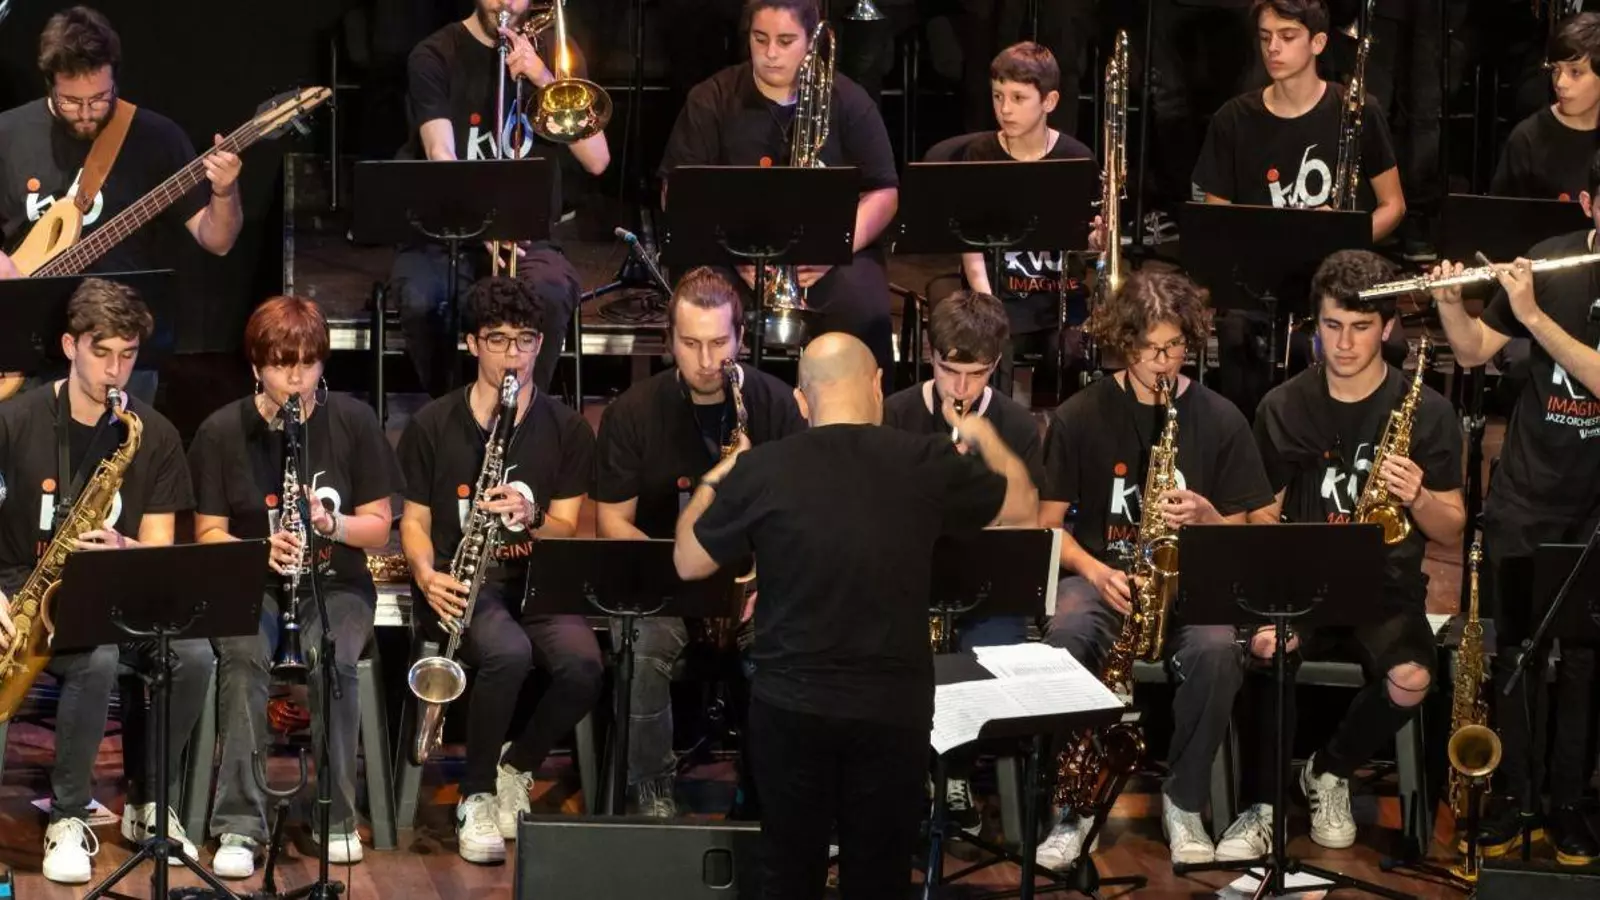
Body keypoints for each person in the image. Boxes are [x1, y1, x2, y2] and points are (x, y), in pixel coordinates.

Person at [674, 332, 1037, 898]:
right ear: (877, 385)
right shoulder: (925, 459)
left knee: (788, 873)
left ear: (801, 401)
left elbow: (688, 560)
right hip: (892, 709)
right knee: (879, 877)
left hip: (790, 707)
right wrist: (983, 433)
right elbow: (1023, 506)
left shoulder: (763, 468)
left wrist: (718, 477)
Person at [1212, 250, 1461, 858]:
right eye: (1331, 326)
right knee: (1269, 648)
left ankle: (1329, 770)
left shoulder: (1428, 410)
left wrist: (1419, 496)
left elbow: (1452, 528)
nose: (1344, 344)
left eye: (1360, 327)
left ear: (1388, 327)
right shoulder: (1283, 406)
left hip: (1385, 584)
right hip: (1302, 580)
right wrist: (1269, 536)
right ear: (1314, 325)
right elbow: (1257, 513)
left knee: (1414, 678)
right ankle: (1265, 807)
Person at [1037, 269, 1273, 868]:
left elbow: (1253, 534)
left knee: (1217, 648)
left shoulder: (1220, 418)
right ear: (1124, 343)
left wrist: (1209, 517)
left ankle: (1184, 802)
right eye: (1149, 348)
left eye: (1174, 347)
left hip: (1191, 586)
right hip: (1106, 580)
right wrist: (1094, 571)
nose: (1162, 362)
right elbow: (1048, 527)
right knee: (1065, 632)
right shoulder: (1081, 413)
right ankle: (1074, 806)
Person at [0, 279, 207, 884]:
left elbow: (160, 551)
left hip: (121, 594)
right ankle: (68, 816)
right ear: (70, 346)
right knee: (95, 657)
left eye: (128, 355)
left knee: (195, 655)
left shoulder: (152, 433)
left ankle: (149, 803)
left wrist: (125, 548)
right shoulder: (14, 422)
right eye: (102, 353)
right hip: (25, 593)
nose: (115, 371)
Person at [190, 296, 403, 878]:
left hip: (335, 585)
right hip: (250, 584)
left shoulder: (354, 422)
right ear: (257, 365)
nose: (297, 379)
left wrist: (331, 524)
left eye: (308, 364)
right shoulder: (221, 431)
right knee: (242, 658)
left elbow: (379, 527)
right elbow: (207, 533)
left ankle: (334, 815)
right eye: (283, 365)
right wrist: (261, 550)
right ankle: (240, 822)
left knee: (333, 656)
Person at [1431, 153, 1600, 865]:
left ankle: (1569, 804)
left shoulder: (1543, 294)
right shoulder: (1551, 260)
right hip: (1526, 496)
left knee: (1585, 660)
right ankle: (1519, 799)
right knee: (1518, 657)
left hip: (1594, 510)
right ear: (1590, 204)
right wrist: (1450, 302)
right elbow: (1473, 352)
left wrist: (1533, 315)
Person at [398, 276, 602, 863]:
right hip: (463, 585)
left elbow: (566, 526)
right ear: (472, 343)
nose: (513, 355)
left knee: (584, 666)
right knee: (508, 653)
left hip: (537, 582)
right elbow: (413, 521)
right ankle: (477, 794)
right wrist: (425, 574)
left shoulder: (565, 428)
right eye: (498, 340)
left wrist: (531, 516)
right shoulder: (433, 424)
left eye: (525, 340)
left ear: (541, 344)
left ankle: (518, 764)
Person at [591, 266, 805, 817]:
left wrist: (765, 580)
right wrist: (679, 579)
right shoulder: (632, 412)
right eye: (690, 344)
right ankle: (651, 791)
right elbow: (612, 523)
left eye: (718, 343)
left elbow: (803, 520)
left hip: (753, 583)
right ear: (669, 341)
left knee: (794, 641)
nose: (707, 361)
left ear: (741, 337)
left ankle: (771, 793)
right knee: (640, 648)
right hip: (665, 584)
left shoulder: (776, 404)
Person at [0, 6, 243, 401]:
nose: (85, 114)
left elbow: (217, 240)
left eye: (99, 99)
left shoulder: (157, 138)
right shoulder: (7, 134)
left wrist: (225, 193)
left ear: (115, 79)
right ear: (49, 84)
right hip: (27, 348)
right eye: (71, 101)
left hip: (123, 350)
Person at [657, 0, 901, 378]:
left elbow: (884, 192)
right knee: (704, 305)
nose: (770, 53)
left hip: (823, 256)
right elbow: (676, 192)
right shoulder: (710, 99)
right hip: (728, 254)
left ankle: (853, 411)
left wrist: (834, 246)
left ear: (810, 42)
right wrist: (732, 250)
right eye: (760, 39)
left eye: (786, 41)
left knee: (863, 307)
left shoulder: (849, 100)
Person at [881, 287, 1044, 841]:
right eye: (949, 371)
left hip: (984, 590)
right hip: (908, 583)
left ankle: (957, 774)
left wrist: (987, 445)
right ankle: (906, 776)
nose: (961, 388)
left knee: (992, 653)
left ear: (995, 366)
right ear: (930, 356)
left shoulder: (1015, 425)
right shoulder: (896, 414)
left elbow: (1027, 521)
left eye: (976, 375)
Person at [1193, 0, 1406, 419]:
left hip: (1336, 278)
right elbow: (1217, 223)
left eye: (1287, 37)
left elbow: (1393, 205)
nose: (1273, 48)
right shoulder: (1233, 119)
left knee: (1389, 343)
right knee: (1236, 336)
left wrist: (1342, 238)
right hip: (1260, 284)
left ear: (1318, 43)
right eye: (1265, 37)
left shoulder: (1358, 110)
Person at [389, 0, 611, 396]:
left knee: (550, 290)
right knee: (424, 298)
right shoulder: (435, 54)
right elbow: (441, 153)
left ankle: (522, 412)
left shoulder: (555, 52)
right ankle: (451, 411)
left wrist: (543, 78)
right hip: (448, 230)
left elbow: (597, 160)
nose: (505, 3)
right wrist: (484, 222)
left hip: (528, 237)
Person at [950, 42, 1095, 395]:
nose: (1005, 109)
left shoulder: (1075, 157)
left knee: (1068, 352)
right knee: (995, 346)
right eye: (998, 96)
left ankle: (1055, 423)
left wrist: (1096, 241)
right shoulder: (980, 154)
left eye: (1018, 98)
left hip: (1057, 294)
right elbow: (969, 244)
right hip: (996, 291)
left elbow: (1086, 242)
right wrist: (987, 301)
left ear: (1049, 102)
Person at [1491, 12, 1600, 202]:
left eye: (1575, 72)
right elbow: (1498, 217)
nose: (1560, 83)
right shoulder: (1527, 141)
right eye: (1556, 69)